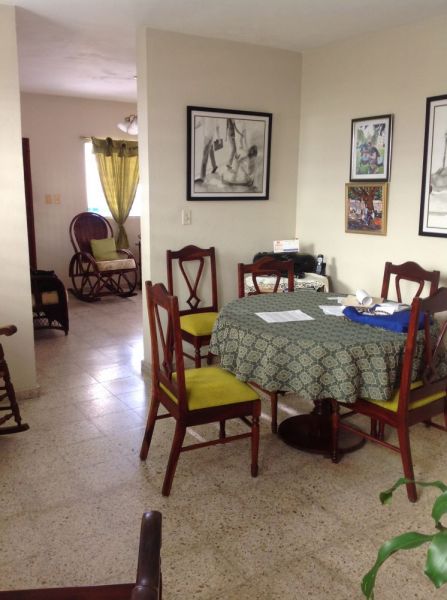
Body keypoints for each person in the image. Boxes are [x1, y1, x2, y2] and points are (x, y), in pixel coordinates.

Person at [194, 117, 220, 183]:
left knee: (204, 156)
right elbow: (217, 126)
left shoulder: (206, 116)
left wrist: (193, 127)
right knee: (210, 151)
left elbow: (200, 122)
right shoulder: (215, 116)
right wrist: (219, 137)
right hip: (211, 136)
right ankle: (214, 166)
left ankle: (202, 177)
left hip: (207, 136)